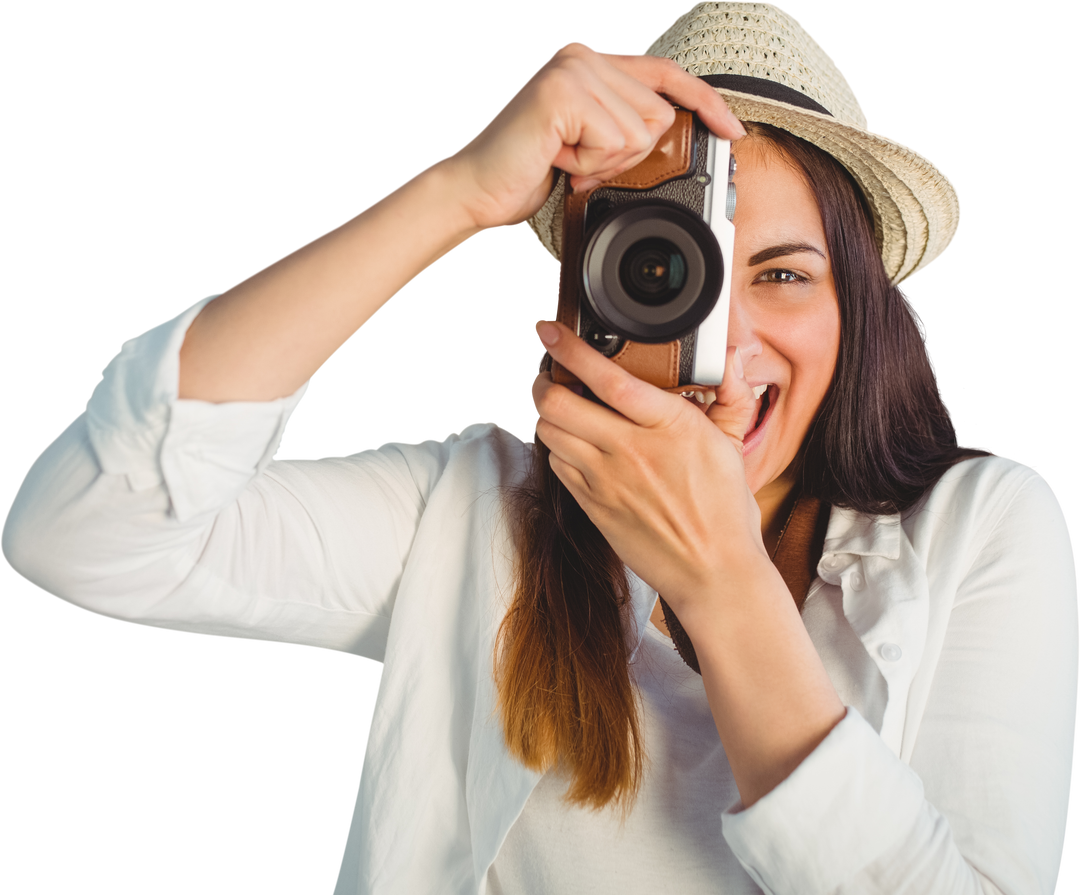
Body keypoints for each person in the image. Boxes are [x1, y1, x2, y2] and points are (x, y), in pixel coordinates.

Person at [2, 1, 1075, 893]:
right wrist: (457, 191)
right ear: (585, 287)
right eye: (673, 271)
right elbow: (85, 531)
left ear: (860, 314)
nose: (723, 342)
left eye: (784, 275)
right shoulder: (473, 511)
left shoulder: (985, 526)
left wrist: (719, 580)